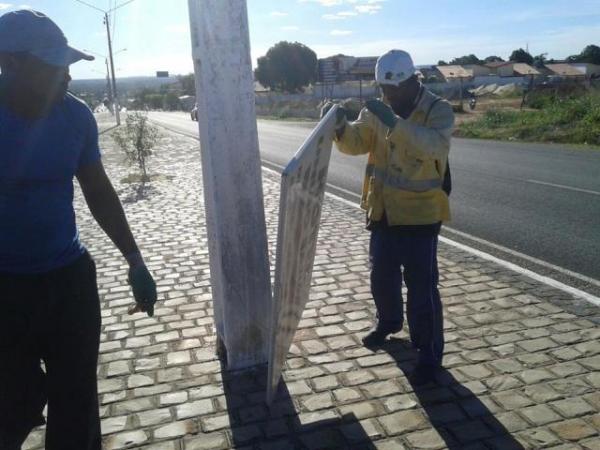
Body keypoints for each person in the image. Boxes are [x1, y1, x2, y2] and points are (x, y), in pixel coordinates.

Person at [0, 10, 157, 450]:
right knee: (14, 404)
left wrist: (135, 261)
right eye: (52, 66)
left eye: (67, 65)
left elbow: (98, 189)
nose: (66, 76)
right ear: (8, 63)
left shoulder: (75, 117)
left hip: (68, 281)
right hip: (5, 289)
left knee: (76, 401)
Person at [323, 50, 454, 384]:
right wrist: (339, 127)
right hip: (382, 210)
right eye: (383, 89)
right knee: (381, 274)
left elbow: (433, 147)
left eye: (394, 89)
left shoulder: (438, 110)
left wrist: (396, 124)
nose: (388, 96)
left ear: (412, 81)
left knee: (422, 287)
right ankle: (389, 322)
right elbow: (357, 142)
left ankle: (428, 351)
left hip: (420, 215)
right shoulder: (378, 110)